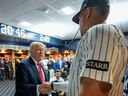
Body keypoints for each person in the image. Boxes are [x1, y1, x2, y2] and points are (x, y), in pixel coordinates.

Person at [67, 0, 128, 96]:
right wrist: (53, 86)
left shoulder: (101, 31)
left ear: (88, 12)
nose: (79, 24)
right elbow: (79, 83)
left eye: (79, 19)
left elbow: (94, 90)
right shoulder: (102, 35)